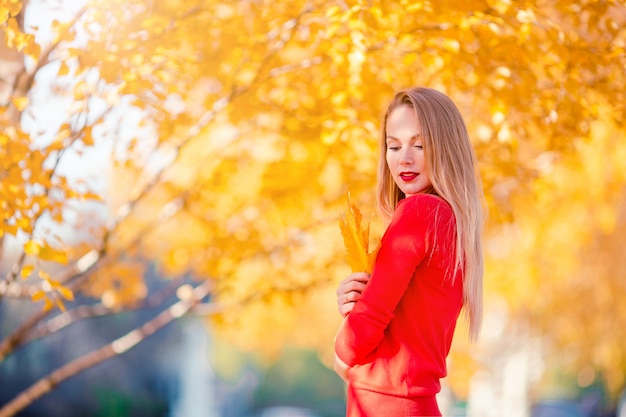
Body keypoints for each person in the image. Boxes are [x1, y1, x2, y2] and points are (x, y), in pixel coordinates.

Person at [334, 87, 484, 417]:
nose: (404, 158)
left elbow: (360, 333)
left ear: (445, 149)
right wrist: (354, 300)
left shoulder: (419, 212)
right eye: (394, 145)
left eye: (419, 144)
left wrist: (343, 346)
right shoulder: (447, 220)